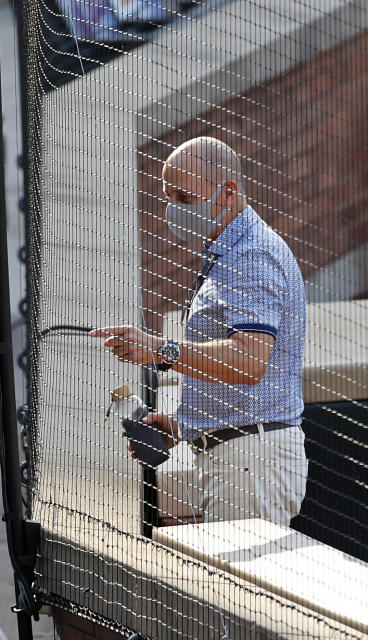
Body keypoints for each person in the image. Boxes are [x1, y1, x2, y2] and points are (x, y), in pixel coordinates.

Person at [91, 136, 308, 526]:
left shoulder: (251, 255)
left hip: (251, 463)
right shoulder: (232, 250)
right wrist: (181, 424)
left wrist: (161, 350)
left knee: (240, 588)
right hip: (241, 455)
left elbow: (248, 362)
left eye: (185, 198)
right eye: (168, 197)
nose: (174, 210)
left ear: (227, 192)